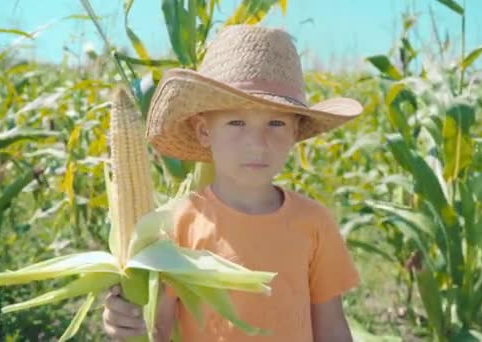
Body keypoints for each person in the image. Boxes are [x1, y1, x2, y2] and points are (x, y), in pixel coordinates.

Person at [103, 24, 364, 342]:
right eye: (237, 122)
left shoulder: (314, 222)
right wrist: (126, 324)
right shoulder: (176, 224)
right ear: (203, 131)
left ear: (296, 132)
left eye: (276, 122)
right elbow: (157, 329)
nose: (257, 142)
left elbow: (332, 328)